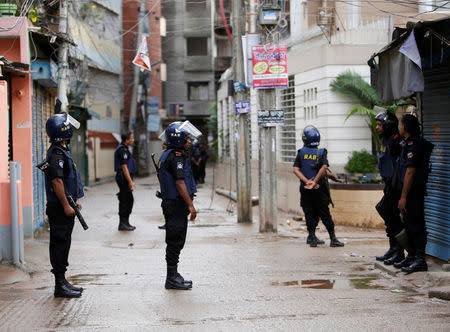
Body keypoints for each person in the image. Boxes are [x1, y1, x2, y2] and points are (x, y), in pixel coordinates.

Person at [45, 112, 85, 298]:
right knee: (60, 244)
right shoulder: (56, 154)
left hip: (64, 206)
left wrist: (73, 201)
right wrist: (66, 206)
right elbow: (57, 182)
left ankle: (63, 281)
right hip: (59, 208)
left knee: (64, 243)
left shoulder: (60, 151)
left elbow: (66, 182)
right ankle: (59, 285)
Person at [158, 121, 200, 289]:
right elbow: (179, 182)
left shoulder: (169, 154)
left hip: (172, 203)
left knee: (176, 240)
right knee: (175, 241)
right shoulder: (176, 156)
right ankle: (171, 278)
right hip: (176, 204)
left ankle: (174, 274)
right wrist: (190, 205)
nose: (189, 141)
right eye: (187, 138)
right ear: (178, 139)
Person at [394, 114, 433, 274]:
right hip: (410, 191)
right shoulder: (408, 143)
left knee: (416, 225)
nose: (399, 127)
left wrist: (403, 197)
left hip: (413, 192)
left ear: (406, 126)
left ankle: (420, 260)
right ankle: (412, 256)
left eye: (401, 124)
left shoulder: (414, 145)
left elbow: (410, 172)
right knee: (409, 224)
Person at [293, 125, 345, 248]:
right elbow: (323, 167)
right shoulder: (321, 152)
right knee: (324, 213)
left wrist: (307, 182)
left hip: (305, 189)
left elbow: (296, 170)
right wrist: (315, 181)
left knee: (309, 212)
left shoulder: (301, 153)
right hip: (319, 189)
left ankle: (311, 237)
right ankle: (333, 239)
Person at [374, 111, 404, 265]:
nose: (377, 128)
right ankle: (393, 248)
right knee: (386, 213)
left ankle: (399, 251)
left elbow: (401, 166)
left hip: (395, 185)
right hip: (388, 184)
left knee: (391, 215)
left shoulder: (396, 141)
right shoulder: (385, 141)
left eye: (380, 125)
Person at [114, 132, 136, 231]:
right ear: (126, 140)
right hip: (123, 177)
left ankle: (126, 222)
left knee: (128, 200)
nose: (133, 140)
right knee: (125, 200)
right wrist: (130, 181)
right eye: (131, 138)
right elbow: (124, 167)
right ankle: (122, 223)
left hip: (125, 177)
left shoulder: (125, 149)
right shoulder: (122, 150)